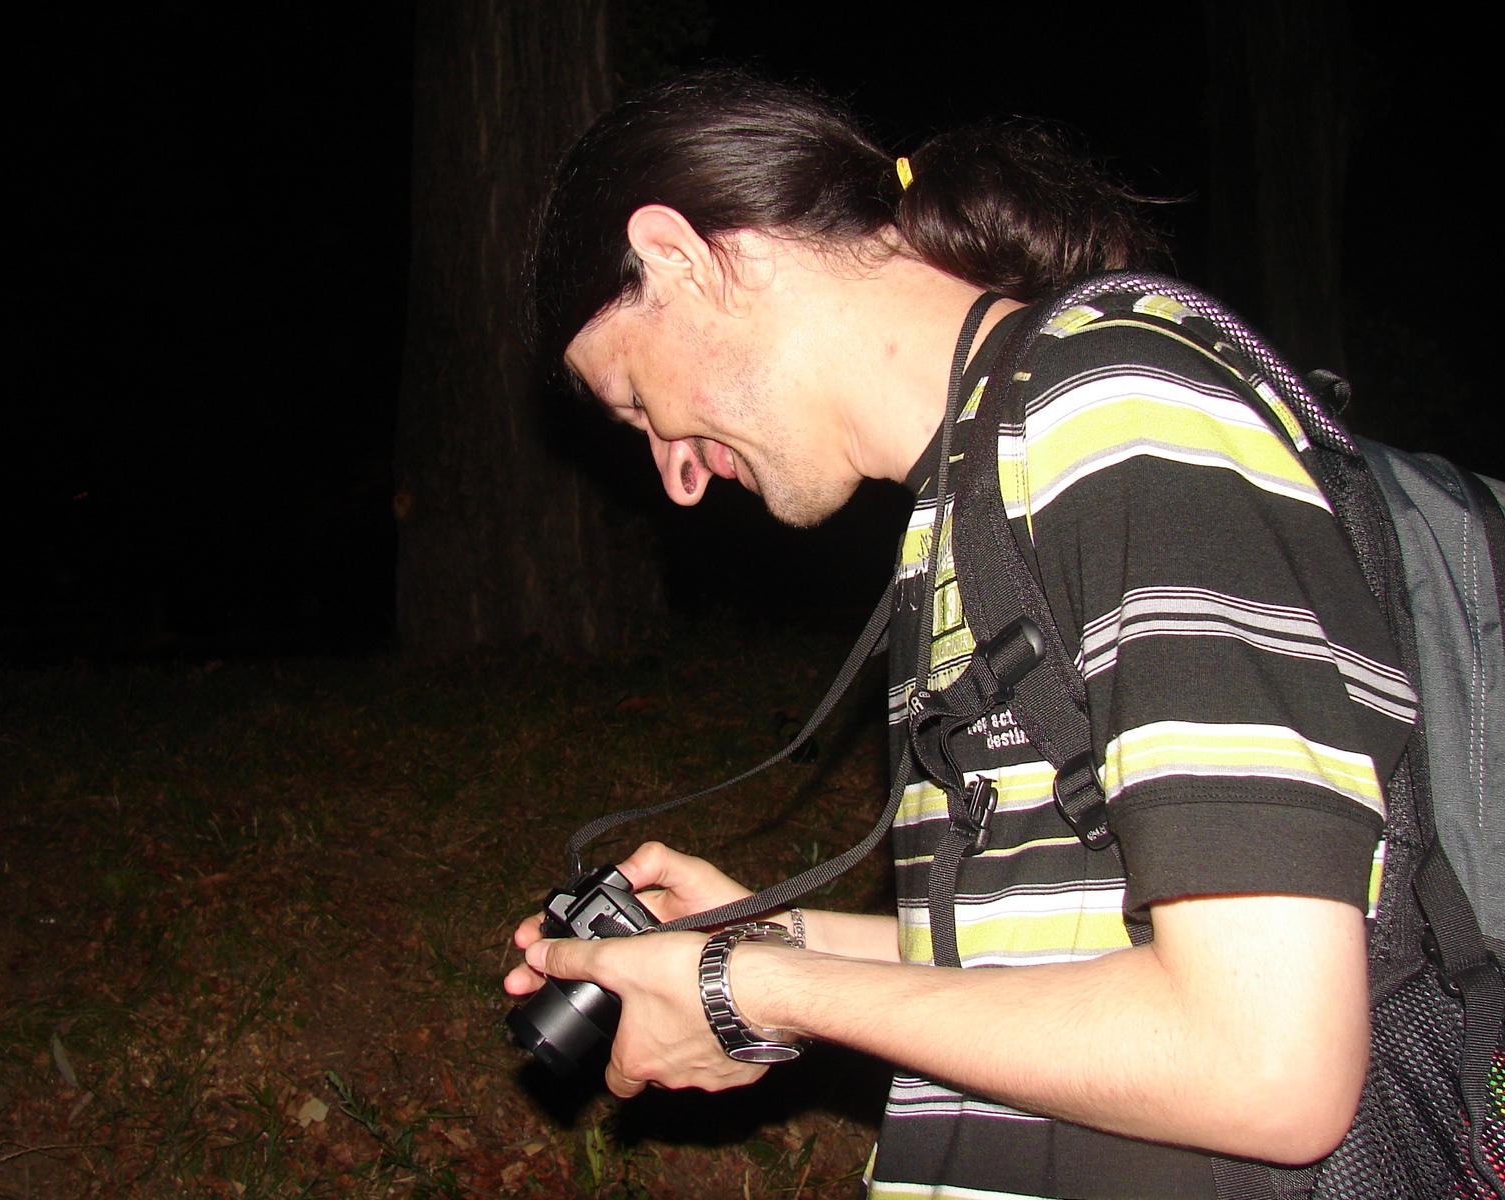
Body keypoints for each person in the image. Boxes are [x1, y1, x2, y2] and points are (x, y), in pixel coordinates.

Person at [503, 72, 1411, 1199]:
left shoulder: (1116, 418)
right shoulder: (970, 506)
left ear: (679, 257)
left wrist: (756, 995)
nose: (674, 476)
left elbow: (1266, 1063)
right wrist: (767, 948)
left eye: (637, 401)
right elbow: (1058, 958)